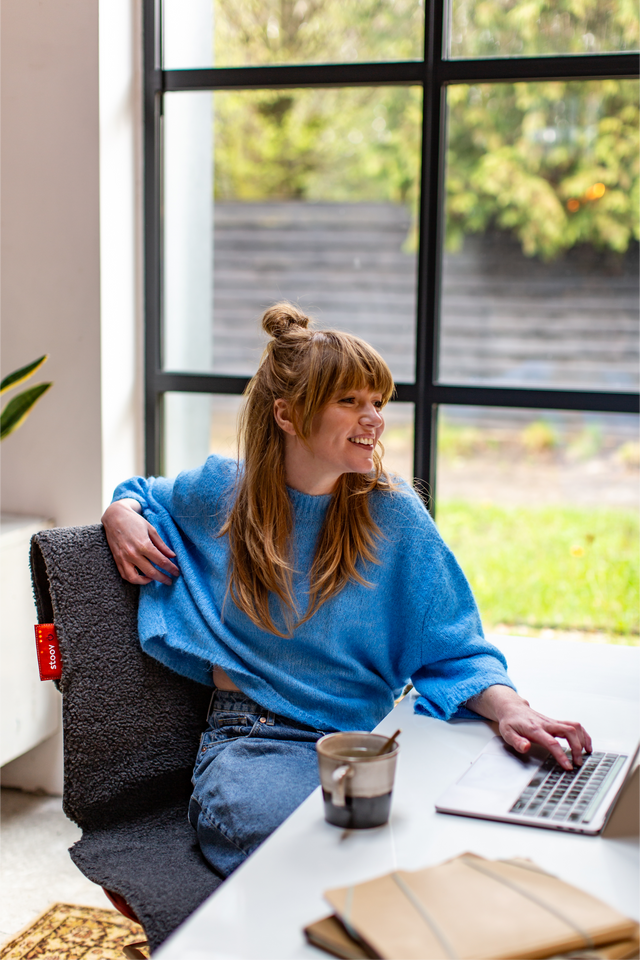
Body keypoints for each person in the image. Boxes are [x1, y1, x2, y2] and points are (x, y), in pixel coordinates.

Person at [102, 302, 591, 878]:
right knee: (308, 857)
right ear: (287, 415)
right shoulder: (222, 491)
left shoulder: (393, 511)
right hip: (258, 738)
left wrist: (512, 710)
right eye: (350, 401)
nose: (375, 419)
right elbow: (144, 490)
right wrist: (121, 511)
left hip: (371, 738)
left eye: (378, 403)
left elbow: (451, 646)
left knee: (435, 844)